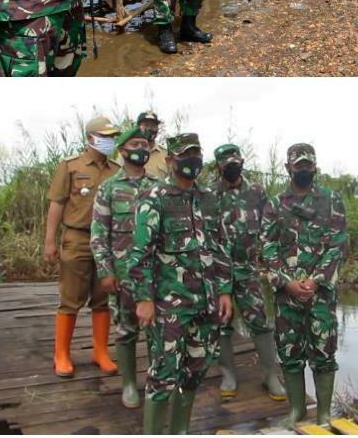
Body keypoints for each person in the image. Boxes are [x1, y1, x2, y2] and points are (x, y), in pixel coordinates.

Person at [127, 133, 233, 434]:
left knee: (194, 373)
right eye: (185, 155)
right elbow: (140, 253)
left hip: (207, 303)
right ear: (171, 161)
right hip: (168, 306)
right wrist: (144, 299)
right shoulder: (155, 198)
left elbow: (221, 246)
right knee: (162, 375)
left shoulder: (210, 198)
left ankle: (179, 431)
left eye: (196, 153)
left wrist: (225, 290)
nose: (192, 160)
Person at [260, 143, 349, 428]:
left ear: (315, 167)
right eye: (298, 165)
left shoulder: (331, 200)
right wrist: (286, 283)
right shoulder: (275, 205)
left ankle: (324, 413)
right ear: (288, 168)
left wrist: (316, 279)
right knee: (289, 352)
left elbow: (337, 246)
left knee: (324, 351)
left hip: (320, 293)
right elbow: (266, 248)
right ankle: (297, 410)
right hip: (287, 295)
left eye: (308, 165)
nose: (303, 170)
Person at [204, 144, 285, 401]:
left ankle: (270, 375)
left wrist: (270, 261)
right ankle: (228, 374)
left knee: (260, 322)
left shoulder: (258, 192)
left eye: (234, 160)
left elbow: (270, 227)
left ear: (241, 160)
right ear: (218, 166)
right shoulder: (209, 194)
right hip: (218, 272)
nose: (231, 165)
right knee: (222, 323)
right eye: (225, 162)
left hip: (248, 271)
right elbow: (206, 235)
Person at [44, 115, 120, 378]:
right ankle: (61, 354)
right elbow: (57, 203)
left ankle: (100, 351)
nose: (110, 141)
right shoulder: (71, 167)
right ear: (90, 138)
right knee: (70, 299)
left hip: (107, 242)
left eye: (112, 137)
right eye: (105, 136)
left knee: (103, 299)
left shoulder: (116, 170)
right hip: (77, 238)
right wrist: (50, 241)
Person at [91, 125, 161, 409]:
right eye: (134, 145)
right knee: (126, 329)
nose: (141, 150)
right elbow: (98, 233)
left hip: (156, 273)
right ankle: (130, 384)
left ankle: (157, 380)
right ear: (122, 150)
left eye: (144, 144)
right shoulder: (109, 187)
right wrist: (105, 270)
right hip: (122, 274)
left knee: (157, 330)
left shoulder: (158, 186)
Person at [136, 111, 168, 180]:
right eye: (146, 125)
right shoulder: (127, 152)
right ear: (138, 127)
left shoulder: (166, 155)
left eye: (153, 126)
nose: (150, 128)